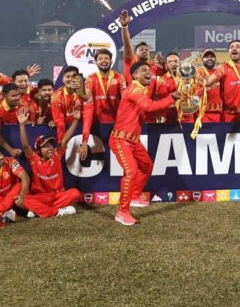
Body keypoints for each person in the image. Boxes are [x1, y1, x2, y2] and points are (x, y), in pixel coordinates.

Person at [111, 61, 180, 226]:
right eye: (143, 70)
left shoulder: (142, 91)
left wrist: (170, 106)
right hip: (120, 139)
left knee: (146, 166)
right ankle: (122, 212)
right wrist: (171, 98)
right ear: (134, 76)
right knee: (131, 172)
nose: (148, 73)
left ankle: (135, 196)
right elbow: (149, 107)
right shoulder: (134, 89)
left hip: (133, 140)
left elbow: (148, 113)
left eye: (149, 70)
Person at [17, 108, 82, 218]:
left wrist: (75, 120)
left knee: (75, 193)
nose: (50, 148)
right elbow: (25, 145)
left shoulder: (57, 154)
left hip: (57, 195)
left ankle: (39, 210)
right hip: (41, 196)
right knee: (25, 199)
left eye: (51, 145)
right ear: (38, 150)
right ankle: (57, 211)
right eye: (45, 147)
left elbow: (66, 139)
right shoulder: (33, 158)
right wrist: (22, 125)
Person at [81, 49, 126, 148]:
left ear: (111, 61)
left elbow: (125, 101)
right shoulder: (90, 78)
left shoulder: (119, 78)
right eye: (100, 59)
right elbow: (88, 101)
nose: (103, 61)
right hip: (96, 125)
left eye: (106, 58)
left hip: (116, 125)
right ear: (96, 62)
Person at [205, 40, 240, 123]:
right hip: (229, 115)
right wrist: (200, 80)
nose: (234, 49)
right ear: (229, 52)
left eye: (238, 47)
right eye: (231, 47)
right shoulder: (223, 68)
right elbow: (208, 81)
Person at [119, 10, 164, 85]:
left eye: (147, 49)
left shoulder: (153, 67)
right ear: (135, 53)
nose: (145, 51)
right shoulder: (131, 62)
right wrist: (124, 27)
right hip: (132, 92)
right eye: (141, 49)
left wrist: (163, 65)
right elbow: (127, 45)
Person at [0, 83, 26, 158]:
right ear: (4, 96)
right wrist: (10, 150)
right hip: (3, 144)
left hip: (19, 140)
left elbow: (28, 125)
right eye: (14, 96)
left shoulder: (23, 104)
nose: (18, 98)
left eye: (19, 95)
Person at [51, 66, 83, 145]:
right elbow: (59, 121)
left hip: (81, 130)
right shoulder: (55, 96)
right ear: (63, 79)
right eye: (67, 76)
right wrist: (61, 141)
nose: (70, 79)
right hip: (64, 131)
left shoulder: (84, 94)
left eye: (73, 76)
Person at [197, 49, 223, 123]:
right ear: (202, 60)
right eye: (206, 57)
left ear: (215, 59)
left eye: (212, 56)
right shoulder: (197, 72)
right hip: (202, 114)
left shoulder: (220, 73)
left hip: (218, 114)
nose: (209, 58)